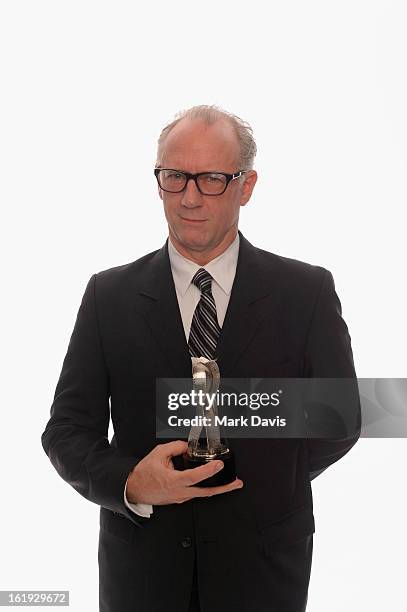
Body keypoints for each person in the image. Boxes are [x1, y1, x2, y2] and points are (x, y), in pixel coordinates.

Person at [41, 105, 360, 612]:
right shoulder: (108, 295)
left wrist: (266, 480)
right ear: (159, 181)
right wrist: (129, 483)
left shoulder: (307, 292)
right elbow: (65, 431)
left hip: (264, 570)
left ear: (246, 185)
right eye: (175, 177)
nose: (190, 197)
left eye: (212, 178)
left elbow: (340, 420)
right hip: (143, 574)